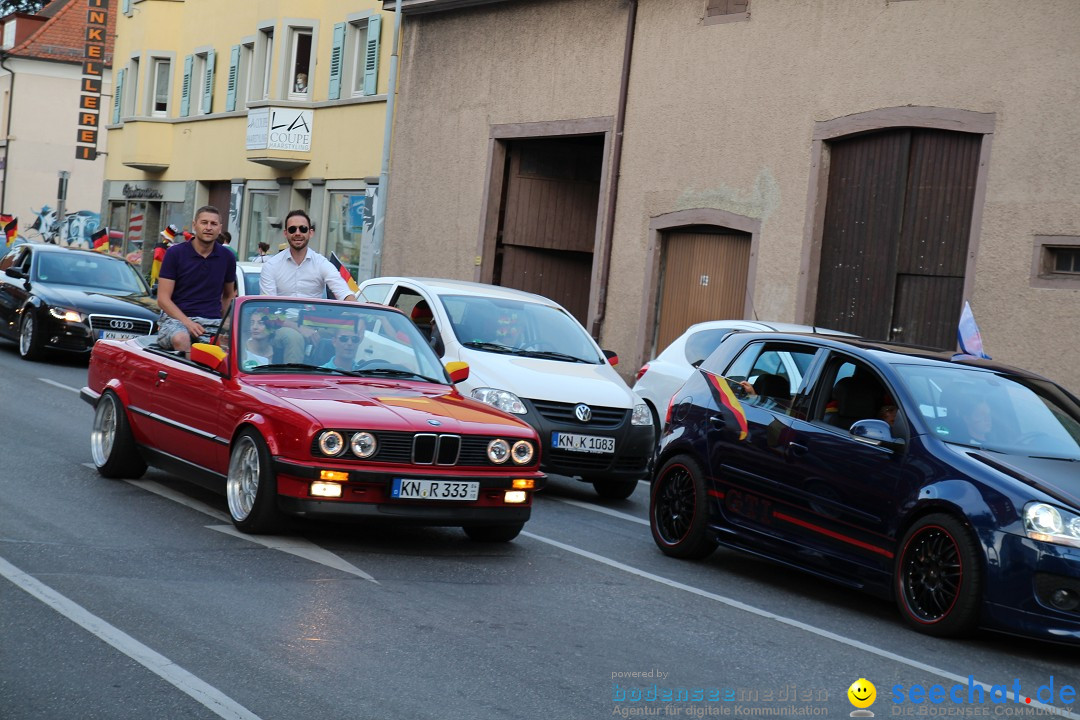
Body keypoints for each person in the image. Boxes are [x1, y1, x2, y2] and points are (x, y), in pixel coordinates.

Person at [155, 206, 237, 354]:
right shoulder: (175, 253)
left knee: (231, 347)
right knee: (181, 339)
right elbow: (163, 299)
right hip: (176, 321)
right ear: (194, 225)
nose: (208, 227)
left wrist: (228, 324)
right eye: (204, 222)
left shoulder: (227, 257)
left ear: (220, 228)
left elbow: (228, 296)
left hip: (212, 322)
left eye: (213, 224)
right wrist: (188, 322)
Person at [259, 209, 357, 301]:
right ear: (285, 233)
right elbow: (268, 305)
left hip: (313, 318)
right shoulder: (271, 266)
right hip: (279, 319)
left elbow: (343, 292)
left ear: (310, 233)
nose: (298, 233)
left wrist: (359, 311)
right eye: (292, 229)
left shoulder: (321, 263)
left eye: (303, 229)